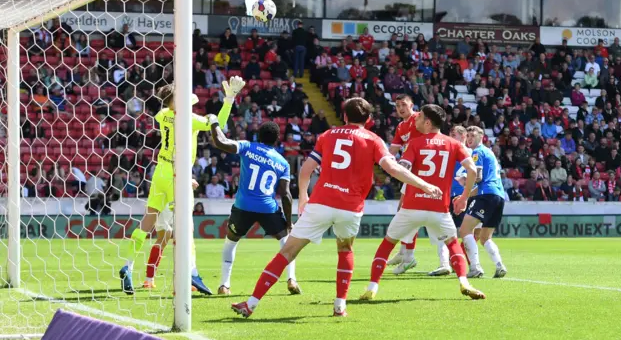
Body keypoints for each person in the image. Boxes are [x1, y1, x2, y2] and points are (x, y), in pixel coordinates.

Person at [230, 97, 440, 318]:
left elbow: (306, 169)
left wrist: (303, 196)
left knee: (287, 252)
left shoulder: (328, 135)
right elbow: (393, 169)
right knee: (345, 250)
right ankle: (340, 306)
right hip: (350, 207)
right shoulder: (374, 139)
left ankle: (251, 303)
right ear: (368, 119)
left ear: (345, 116)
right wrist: (424, 184)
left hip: (321, 201)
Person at [119, 77, 244, 295]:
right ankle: (193, 273)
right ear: (175, 100)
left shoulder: (162, 115)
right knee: (186, 227)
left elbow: (171, 106)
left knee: (146, 223)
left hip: (159, 171)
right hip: (177, 174)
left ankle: (128, 265)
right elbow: (219, 126)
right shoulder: (189, 119)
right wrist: (229, 100)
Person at [359, 105, 484, 301]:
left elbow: (403, 171)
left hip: (411, 206)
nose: (415, 120)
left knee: (387, 244)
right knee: (453, 244)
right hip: (439, 208)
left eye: (419, 118)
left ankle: (372, 287)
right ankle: (464, 282)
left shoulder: (415, 144)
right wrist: (464, 197)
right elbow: (473, 171)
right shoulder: (454, 144)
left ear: (427, 122)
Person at [209, 117, 300, 295]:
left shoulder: (247, 147)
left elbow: (220, 142)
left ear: (258, 136)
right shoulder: (282, 162)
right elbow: (286, 195)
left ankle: (224, 285)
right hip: (268, 208)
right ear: (277, 139)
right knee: (287, 241)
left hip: (243, 206)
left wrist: (213, 122)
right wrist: (289, 223)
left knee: (230, 243)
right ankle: (291, 279)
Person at [459, 126, 508, 278]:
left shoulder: (477, 152)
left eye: (473, 135)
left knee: (464, 230)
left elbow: (478, 177)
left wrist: (464, 182)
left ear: (482, 137)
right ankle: (500, 265)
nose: (469, 138)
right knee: (485, 237)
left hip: (486, 196)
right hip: (498, 196)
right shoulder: (490, 153)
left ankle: (475, 267)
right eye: (468, 136)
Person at [427, 126, 473, 276]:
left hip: (462, 196)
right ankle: (447, 263)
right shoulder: (453, 150)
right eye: (450, 134)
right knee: (447, 230)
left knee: (465, 231)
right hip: (449, 195)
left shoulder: (465, 152)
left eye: (454, 134)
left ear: (463, 136)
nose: (451, 136)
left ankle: (464, 263)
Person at [386, 95, 423, 274]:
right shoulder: (401, 126)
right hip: (410, 173)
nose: (400, 108)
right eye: (397, 105)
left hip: (421, 172)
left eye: (404, 105)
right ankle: (404, 252)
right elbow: (393, 149)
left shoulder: (419, 118)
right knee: (403, 210)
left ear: (412, 105)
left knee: (409, 214)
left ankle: (409, 256)